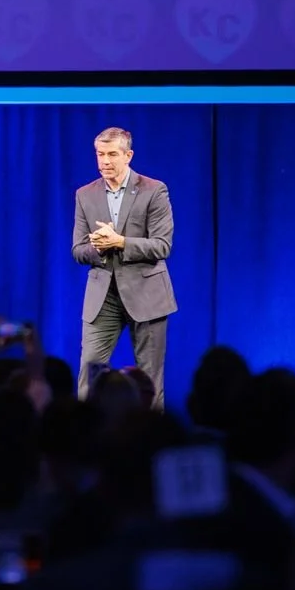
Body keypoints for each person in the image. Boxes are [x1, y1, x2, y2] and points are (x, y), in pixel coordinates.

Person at [71, 127, 176, 409]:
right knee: (89, 372)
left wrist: (120, 242)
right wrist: (98, 247)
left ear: (128, 155)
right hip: (102, 297)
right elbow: (78, 250)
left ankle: (150, 445)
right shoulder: (85, 194)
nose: (105, 161)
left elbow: (162, 246)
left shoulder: (154, 190)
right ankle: (85, 441)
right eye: (100, 155)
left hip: (147, 294)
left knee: (150, 378)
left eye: (112, 155)